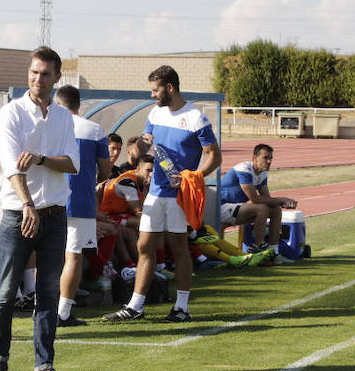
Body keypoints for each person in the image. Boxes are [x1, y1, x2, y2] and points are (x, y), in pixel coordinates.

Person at [0, 46, 80, 371]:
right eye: (33, 72)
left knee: (48, 292)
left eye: (44, 74)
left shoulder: (63, 117)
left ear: (57, 78)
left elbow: (73, 164)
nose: (37, 79)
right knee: (6, 290)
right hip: (18, 214)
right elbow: (12, 166)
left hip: (55, 215)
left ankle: (44, 367)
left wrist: (41, 158)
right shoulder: (11, 113)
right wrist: (27, 204)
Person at [102, 65, 221, 323]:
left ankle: (181, 308)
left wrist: (193, 177)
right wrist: (142, 145)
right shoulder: (155, 114)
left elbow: (214, 155)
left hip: (178, 196)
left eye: (155, 90)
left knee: (179, 248)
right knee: (144, 245)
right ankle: (135, 306)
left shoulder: (195, 117)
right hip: (155, 192)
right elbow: (144, 147)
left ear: (170, 87)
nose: (153, 95)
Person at [54, 84, 111, 327]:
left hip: (50, 200)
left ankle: (42, 307)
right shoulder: (94, 130)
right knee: (73, 257)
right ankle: (63, 313)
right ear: (79, 104)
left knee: (47, 256)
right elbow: (106, 170)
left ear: (58, 103)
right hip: (80, 202)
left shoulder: (50, 128)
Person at [219, 143, 297, 265]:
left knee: (275, 210)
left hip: (236, 209)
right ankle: (258, 250)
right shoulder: (244, 169)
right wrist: (282, 199)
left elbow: (266, 198)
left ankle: (274, 252)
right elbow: (255, 199)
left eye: (271, 158)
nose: (269, 161)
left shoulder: (262, 174)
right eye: (265, 158)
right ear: (255, 158)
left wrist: (281, 203)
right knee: (261, 208)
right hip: (220, 208)